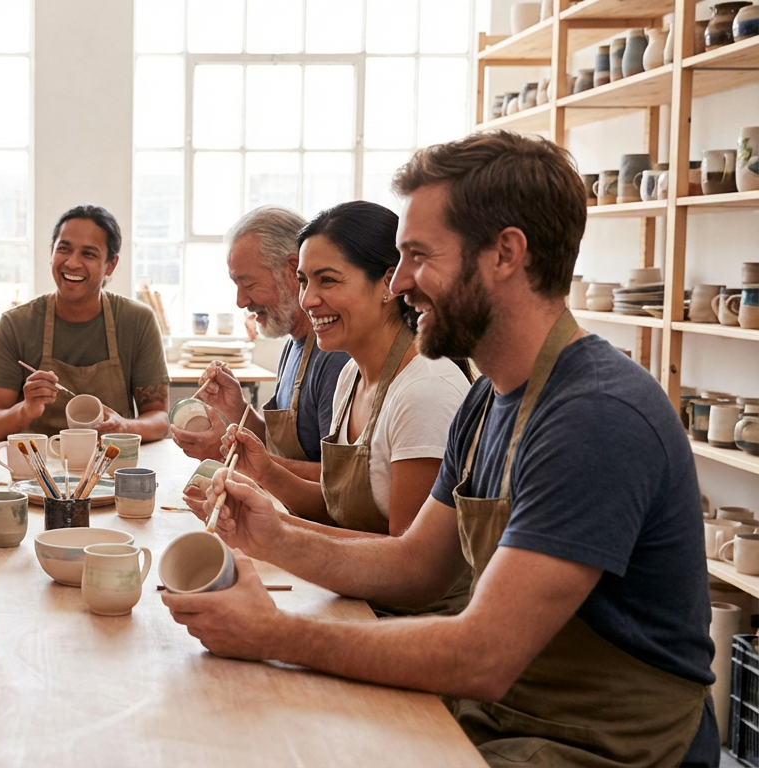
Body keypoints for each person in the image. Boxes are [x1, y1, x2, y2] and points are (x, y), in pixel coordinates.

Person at [162, 131, 717, 766]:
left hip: (597, 745)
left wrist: (274, 633)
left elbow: (483, 656)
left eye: (419, 256)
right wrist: (273, 536)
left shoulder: (596, 416)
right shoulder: (488, 401)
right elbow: (418, 567)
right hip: (503, 717)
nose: (399, 283)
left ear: (506, 253)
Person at [207, 201, 472, 616]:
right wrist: (263, 472)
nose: (309, 299)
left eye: (327, 280)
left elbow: (407, 566)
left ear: (388, 284)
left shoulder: (426, 390)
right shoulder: (351, 375)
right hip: (356, 598)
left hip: (409, 621)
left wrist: (277, 533)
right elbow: (338, 508)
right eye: (303, 281)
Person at [171, 205, 349, 481]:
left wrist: (229, 455)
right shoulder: (293, 345)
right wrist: (237, 408)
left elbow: (339, 481)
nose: (241, 301)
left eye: (249, 284)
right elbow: (278, 446)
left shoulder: (335, 356)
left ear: (292, 270)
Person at [0, 204, 169, 440]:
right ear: (51, 252)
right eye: (64, 249)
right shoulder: (15, 324)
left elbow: (159, 419)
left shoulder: (138, 321)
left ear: (111, 265)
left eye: (88, 254)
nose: (71, 263)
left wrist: (124, 427)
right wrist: (25, 410)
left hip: (109, 464)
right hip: (36, 468)